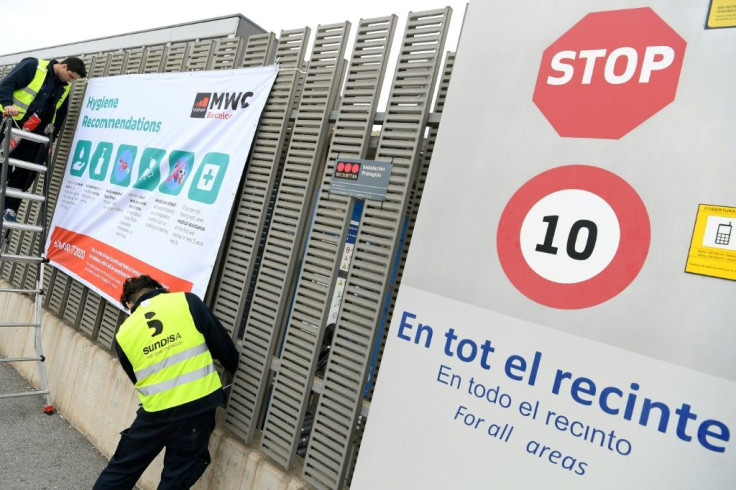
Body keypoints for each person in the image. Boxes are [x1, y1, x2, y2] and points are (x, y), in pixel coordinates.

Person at [93, 275, 239, 489]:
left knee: (122, 469)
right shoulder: (187, 302)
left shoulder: (123, 334)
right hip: (197, 408)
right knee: (177, 474)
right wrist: (232, 363)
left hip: (157, 413)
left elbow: (137, 378)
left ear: (129, 303)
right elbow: (222, 346)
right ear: (159, 288)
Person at [0, 56, 86, 222]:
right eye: (71, 77)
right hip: (15, 125)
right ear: (64, 66)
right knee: (3, 163)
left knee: (27, 172)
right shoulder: (34, 66)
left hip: (37, 136)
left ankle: (8, 208)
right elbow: (6, 84)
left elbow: (60, 116)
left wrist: (50, 140)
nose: (71, 81)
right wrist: (7, 103)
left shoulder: (64, 88)